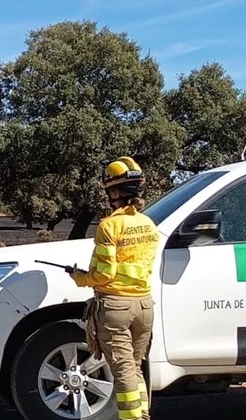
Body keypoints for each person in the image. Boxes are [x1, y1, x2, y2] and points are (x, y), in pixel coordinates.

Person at [67, 156, 160, 420]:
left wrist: (81, 278)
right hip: (144, 306)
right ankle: (142, 415)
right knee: (135, 367)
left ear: (115, 192)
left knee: (122, 372)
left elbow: (106, 275)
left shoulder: (109, 226)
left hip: (115, 307)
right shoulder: (148, 225)